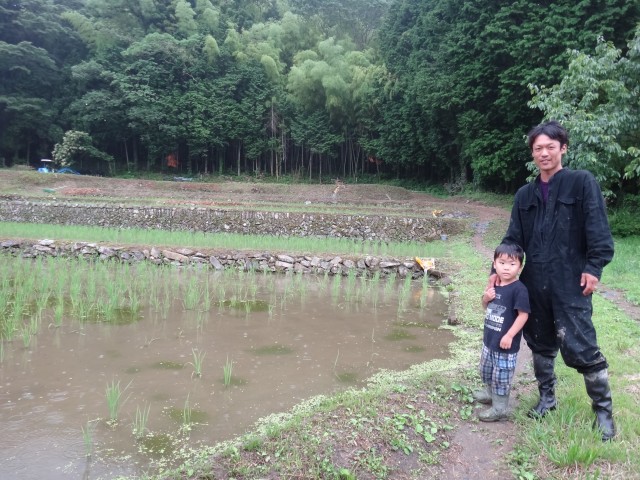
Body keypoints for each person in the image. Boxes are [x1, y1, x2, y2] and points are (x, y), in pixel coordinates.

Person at [496, 120, 616, 441]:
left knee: (583, 347)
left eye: (551, 147)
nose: (544, 153)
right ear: (532, 153)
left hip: (571, 281)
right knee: (540, 341)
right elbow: (513, 239)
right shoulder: (525, 195)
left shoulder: (581, 183)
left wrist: (594, 267)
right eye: (538, 148)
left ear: (563, 148)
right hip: (535, 282)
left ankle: (603, 413)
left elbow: (598, 231)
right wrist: (498, 273)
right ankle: (547, 398)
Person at [474, 243, 530, 422]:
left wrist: (509, 335)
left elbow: (523, 315)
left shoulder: (519, 290)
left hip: (505, 346)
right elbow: (485, 307)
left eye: (512, 264)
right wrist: (485, 298)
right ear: (494, 264)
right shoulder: (495, 284)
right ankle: (489, 394)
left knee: (501, 377)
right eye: (502, 263)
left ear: (519, 267)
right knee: (486, 370)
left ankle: (500, 408)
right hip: (489, 341)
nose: (506, 267)